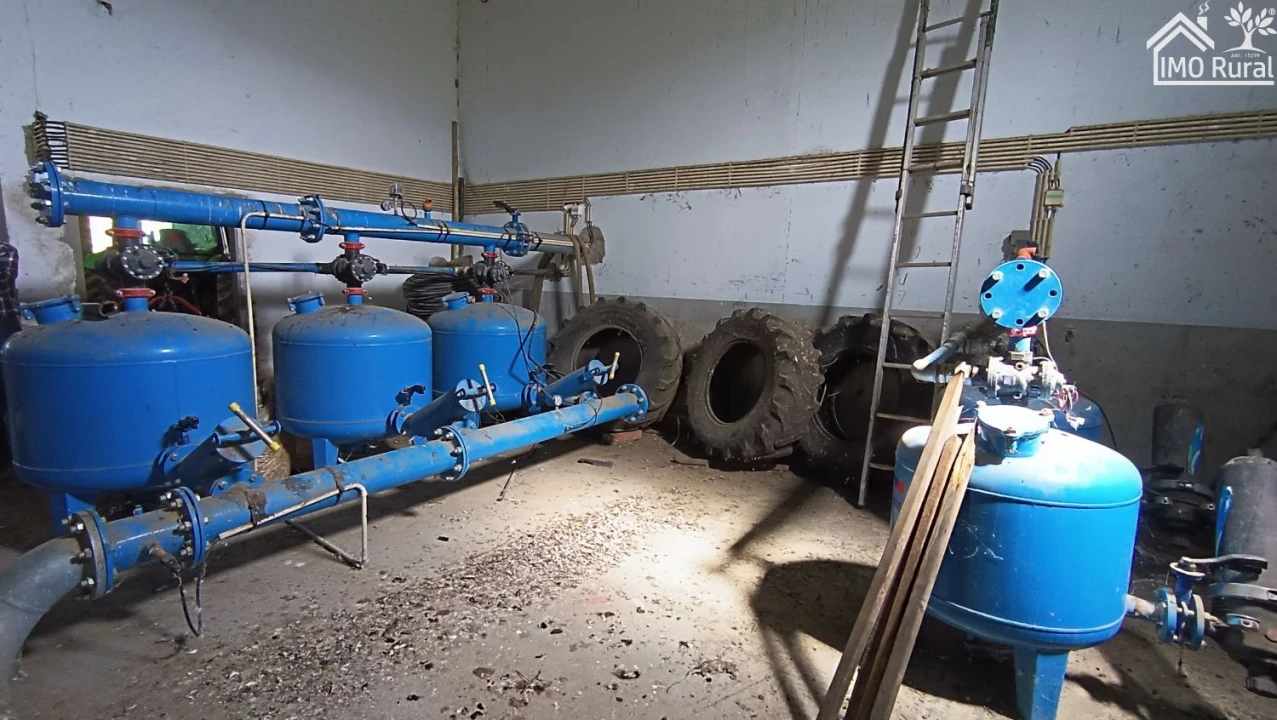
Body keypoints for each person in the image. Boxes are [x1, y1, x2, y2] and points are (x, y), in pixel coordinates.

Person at [0, 240, 18, 465]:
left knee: (8, 390)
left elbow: (3, 278)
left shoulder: (5, 251)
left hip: (3, 325)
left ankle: (13, 450)